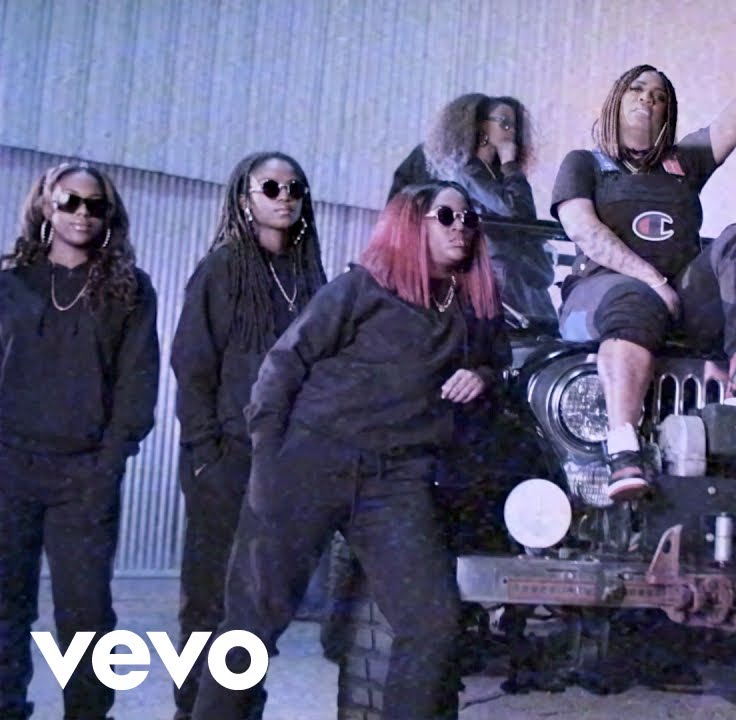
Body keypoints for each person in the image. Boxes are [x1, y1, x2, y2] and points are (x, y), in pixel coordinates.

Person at [191, 181, 509, 720]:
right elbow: (282, 366)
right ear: (411, 223)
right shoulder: (361, 288)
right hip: (312, 460)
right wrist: (268, 464)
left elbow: (497, 366)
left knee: (432, 621)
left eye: (468, 218)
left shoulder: (472, 308)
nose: (461, 226)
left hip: (397, 480)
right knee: (252, 624)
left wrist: (481, 375)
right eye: (446, 216)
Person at [553, 0, 736, 502]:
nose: (648, 99)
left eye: (659, 95)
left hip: (680, 303)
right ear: (616, 101)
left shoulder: (684, 162)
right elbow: (583, 229)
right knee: (633, 297)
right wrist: (652, 281)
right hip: (601, 298)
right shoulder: (586, 163)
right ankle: (623, 448)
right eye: (637, 89)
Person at [169, 151, 327, 720]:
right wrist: (204, 453)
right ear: (244, 198)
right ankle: (190, 710)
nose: (285, 197)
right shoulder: (221, 269)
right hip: (226, 456)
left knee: (257, 606)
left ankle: (241, 711)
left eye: (295, 188)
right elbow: (192, 365)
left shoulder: (311, 276)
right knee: (209, 599)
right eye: (271, 187)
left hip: (286, 461)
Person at [0, 162, 160, 720]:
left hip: (84, 476)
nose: (82, 214)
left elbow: (137, 385)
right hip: (8, 469)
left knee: (85, 615)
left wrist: (107, 465)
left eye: (95, 205)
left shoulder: (130, 291)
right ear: (46, 205)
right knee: (5, 606)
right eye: (70, 200)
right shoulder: (9, 284)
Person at [388, 93, 556, 328]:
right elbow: (514, 211)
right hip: (495, 276)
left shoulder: (494, 173)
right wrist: (510, 163)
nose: (512, 132)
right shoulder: (467, 170)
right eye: (504, 123)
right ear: (481, 127)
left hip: (517, 274)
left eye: (515, 126)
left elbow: (524, 217)